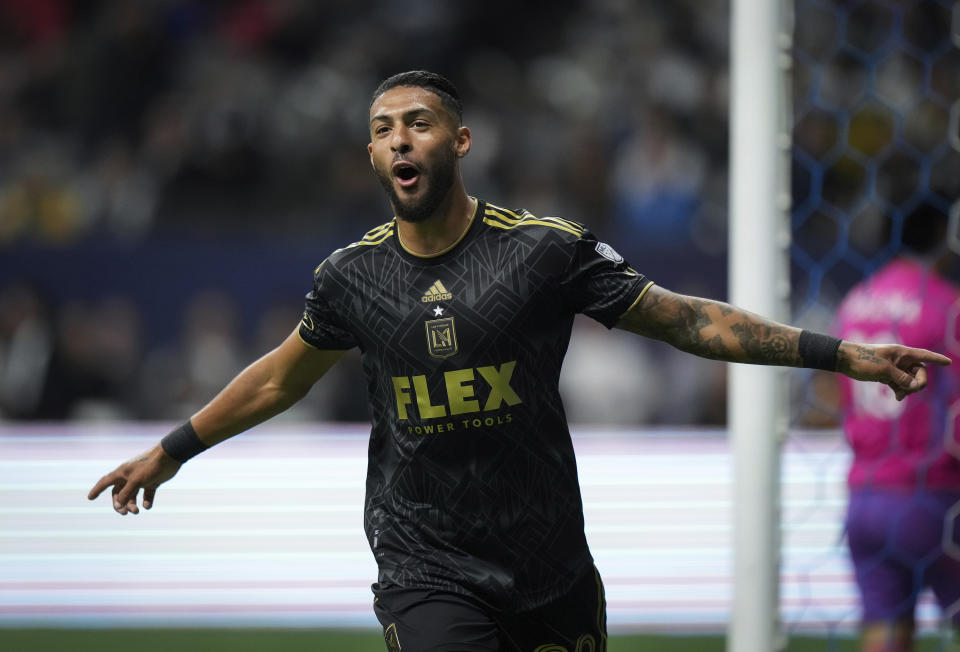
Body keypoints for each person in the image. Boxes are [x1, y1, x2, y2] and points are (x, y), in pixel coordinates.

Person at [88, 71, 950, 652]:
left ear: (459, 141)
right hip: (425, 564)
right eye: (383, 130)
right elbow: (278, 377)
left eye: (417, 125)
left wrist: (845, 356)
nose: (399, 141)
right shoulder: (350, 278)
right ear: (370, 155)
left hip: (550, 568)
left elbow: (689, 322)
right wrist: (172, 449)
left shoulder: (543, 252)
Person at [834, 203, 960, 652]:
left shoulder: (856, 299)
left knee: (885, 632)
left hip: (865, 496)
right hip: (931, 494)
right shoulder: (946, 303)